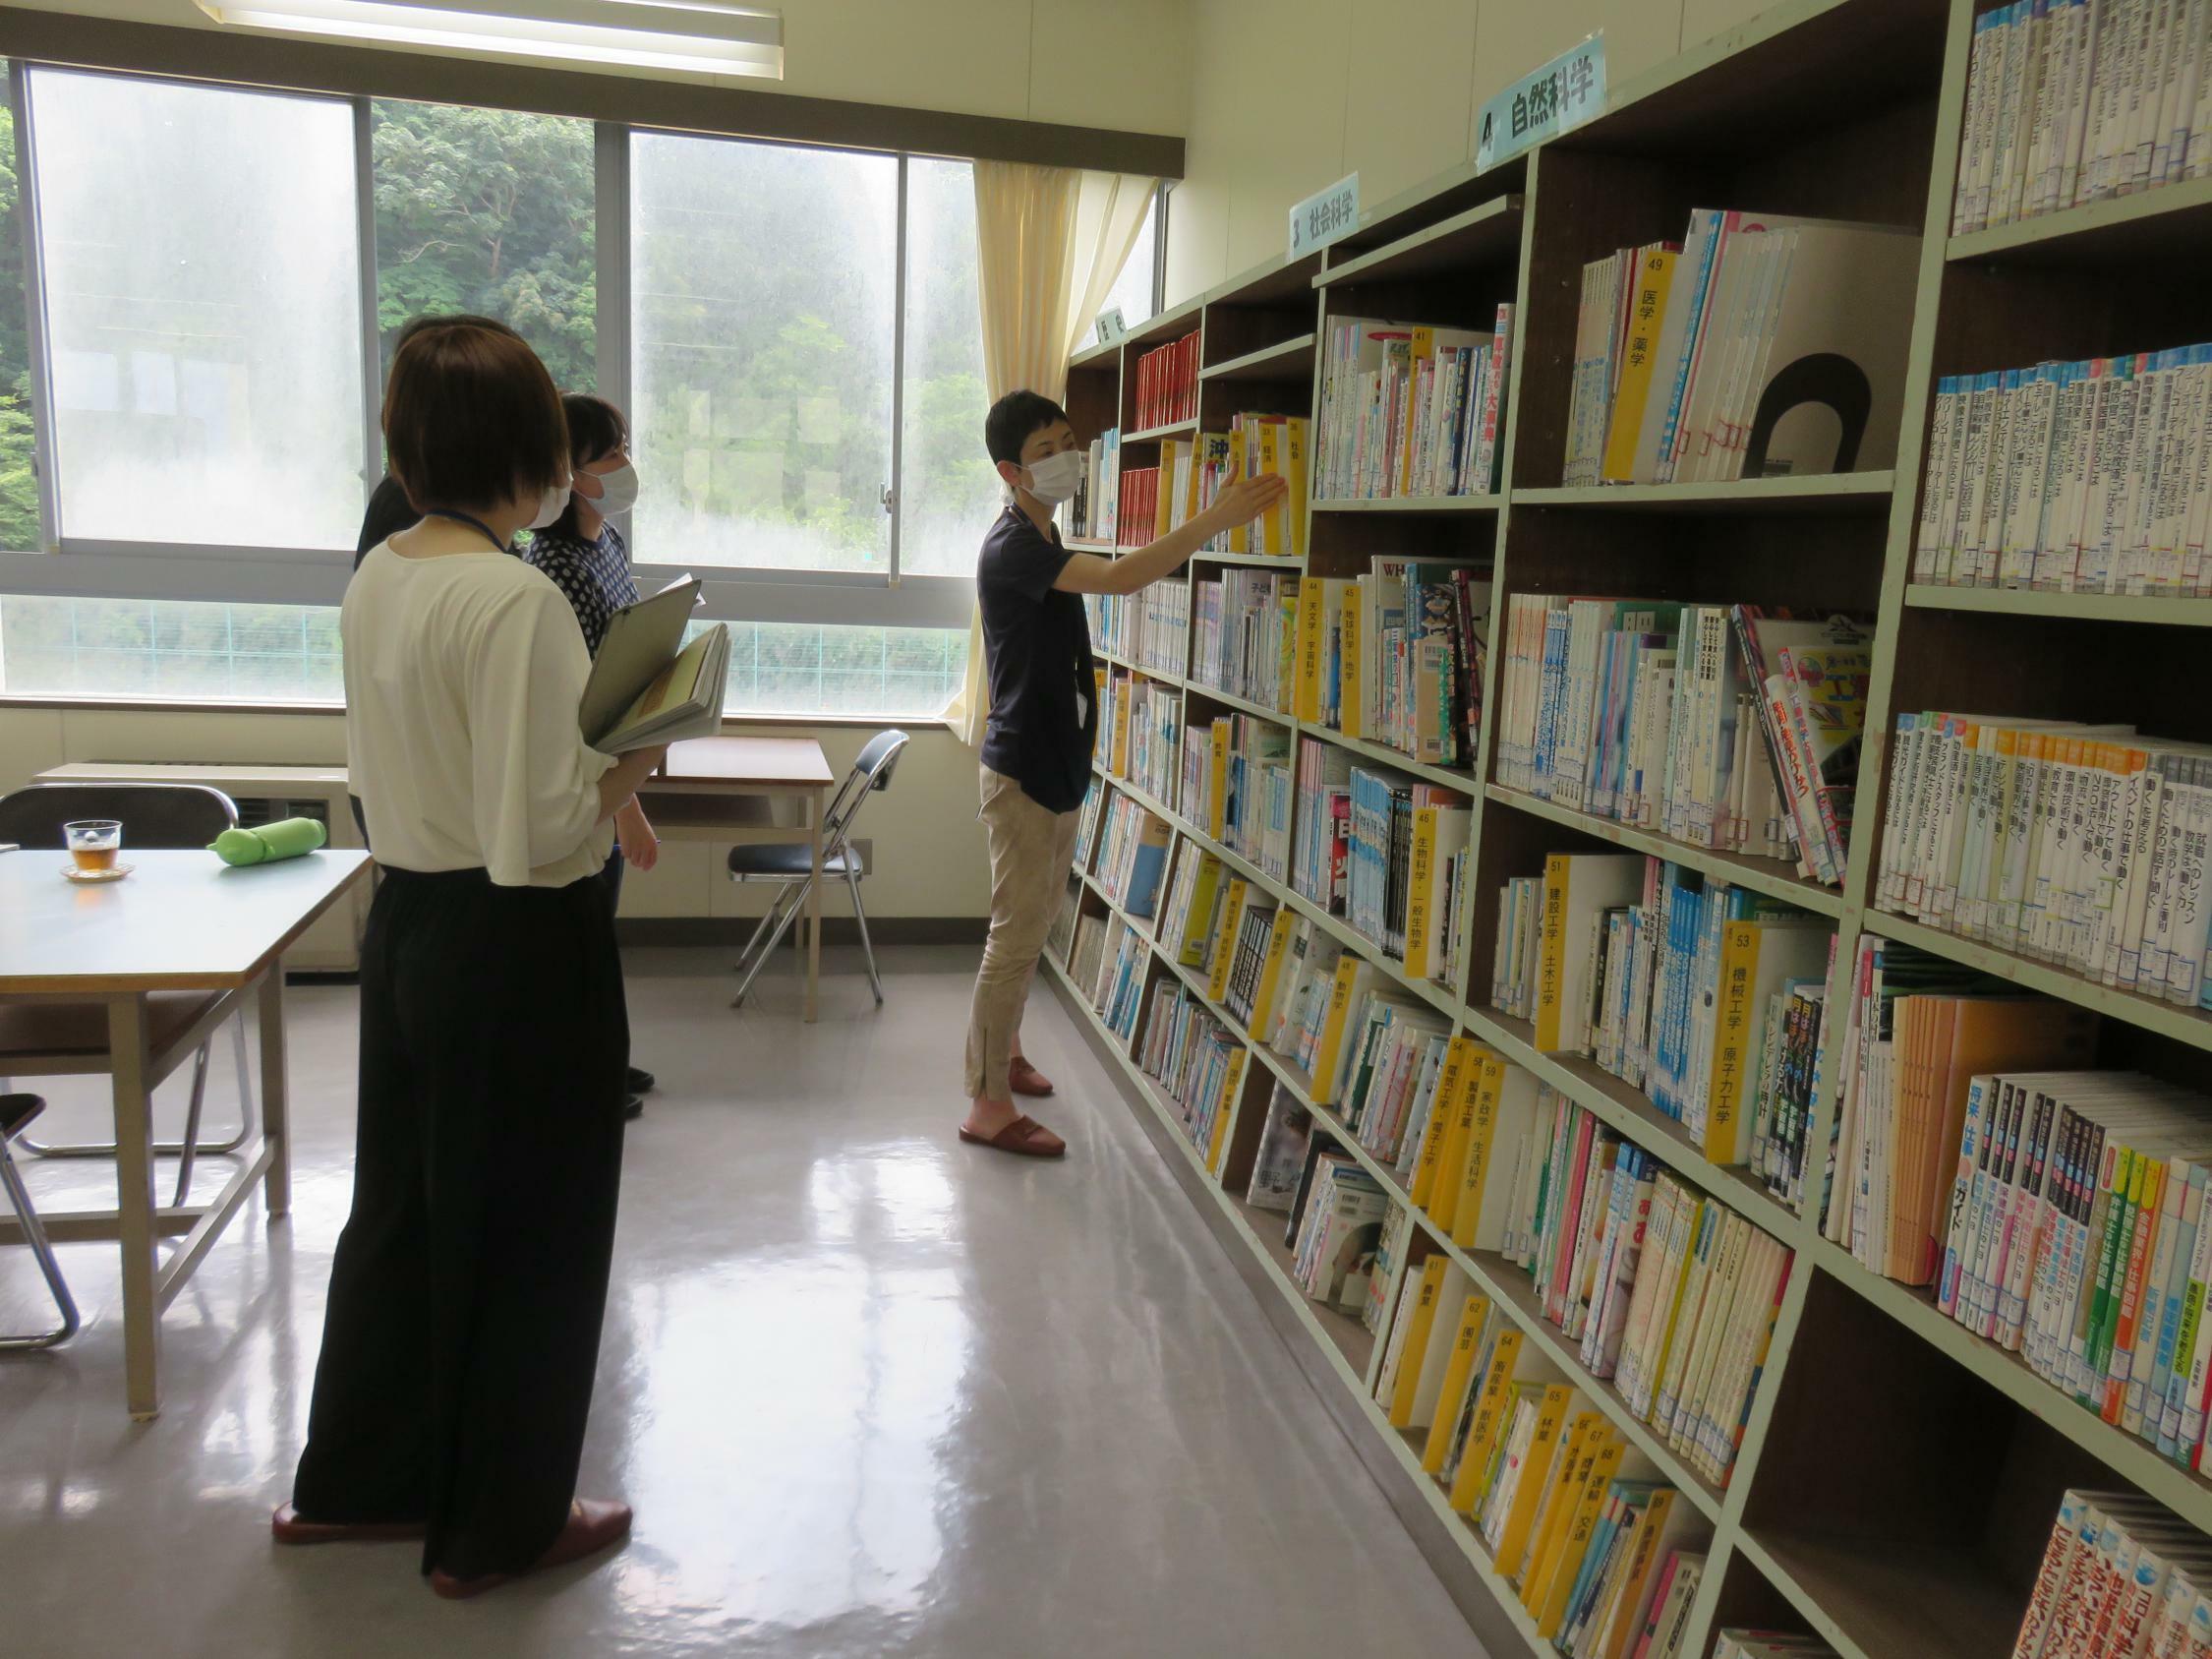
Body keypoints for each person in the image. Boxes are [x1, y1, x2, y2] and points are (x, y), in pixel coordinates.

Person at [274, 320, 663, 1598]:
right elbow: (543, 829)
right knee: (532, 1233)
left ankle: (356, 1479)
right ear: (535, 449)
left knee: (402, 1209)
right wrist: (638, 755)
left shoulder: (381, 570)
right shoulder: (514, 595)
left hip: (409, 924)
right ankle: (501, 1520)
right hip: (518, 943)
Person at [960, 390, 1287, 1158]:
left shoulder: (1043, 529)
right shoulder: (1014, 548)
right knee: (1014, 938)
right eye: (1048, 449)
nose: (1068, 456)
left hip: (1054, 762)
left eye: (1071, 441)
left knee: (1034, 923)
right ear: (1011, 470)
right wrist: (1214, 518)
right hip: (1024, 773)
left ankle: (1003, 1056)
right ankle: (985, 1101)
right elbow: (1120, 579)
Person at [525, 392, 658, 1119]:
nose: (624, 464)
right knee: (574, 948)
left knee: (595, 938)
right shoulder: (553, 566)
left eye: (623, 445)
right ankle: (582, 1078)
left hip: (618, 763)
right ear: (571, 472)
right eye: (609, 452)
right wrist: (629, 809)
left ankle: (603, 1060)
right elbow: (582, 707)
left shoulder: (606, 543)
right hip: (593, 778)